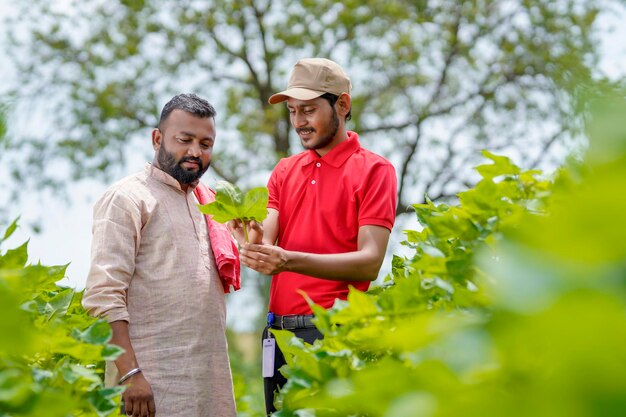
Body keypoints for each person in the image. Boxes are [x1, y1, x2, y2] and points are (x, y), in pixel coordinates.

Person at [229, 58, 397, 415]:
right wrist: (252, 241)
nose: (298, 122)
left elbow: (369, 262)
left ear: (343, 104)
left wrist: (289, 259)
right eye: (292, 111)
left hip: (334, 338)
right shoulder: (284, 170)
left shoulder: (374, 171)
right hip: (277, 337)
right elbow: (267, 241)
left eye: (308, 110)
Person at [82, 93, 240, 417]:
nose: (196, 152)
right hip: (148, 388)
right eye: (185, 140)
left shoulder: (210, 204)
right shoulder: (127, 199)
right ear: (157, 138)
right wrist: (129, 374)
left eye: (206, 143)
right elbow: (103, 296)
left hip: (210, 385)